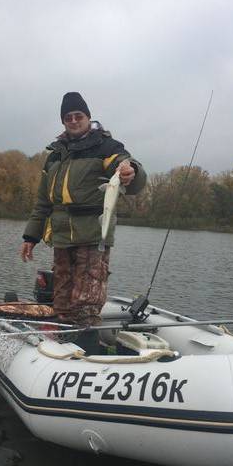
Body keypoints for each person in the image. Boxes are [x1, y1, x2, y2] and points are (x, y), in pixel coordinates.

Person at [20, 92, 146, 353]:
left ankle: (89, 350)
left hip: (92, 234)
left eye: (79, 116)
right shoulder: (55, 155)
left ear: (88, 118)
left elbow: (125, 164)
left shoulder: (105, 146)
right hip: (62, 236)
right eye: (68, 117)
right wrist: (30, 237)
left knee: (87, 301)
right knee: (63, 297)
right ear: (63, 121)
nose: (74, 120)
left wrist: (128, 171)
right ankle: (63, 347)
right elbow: (44, 201)